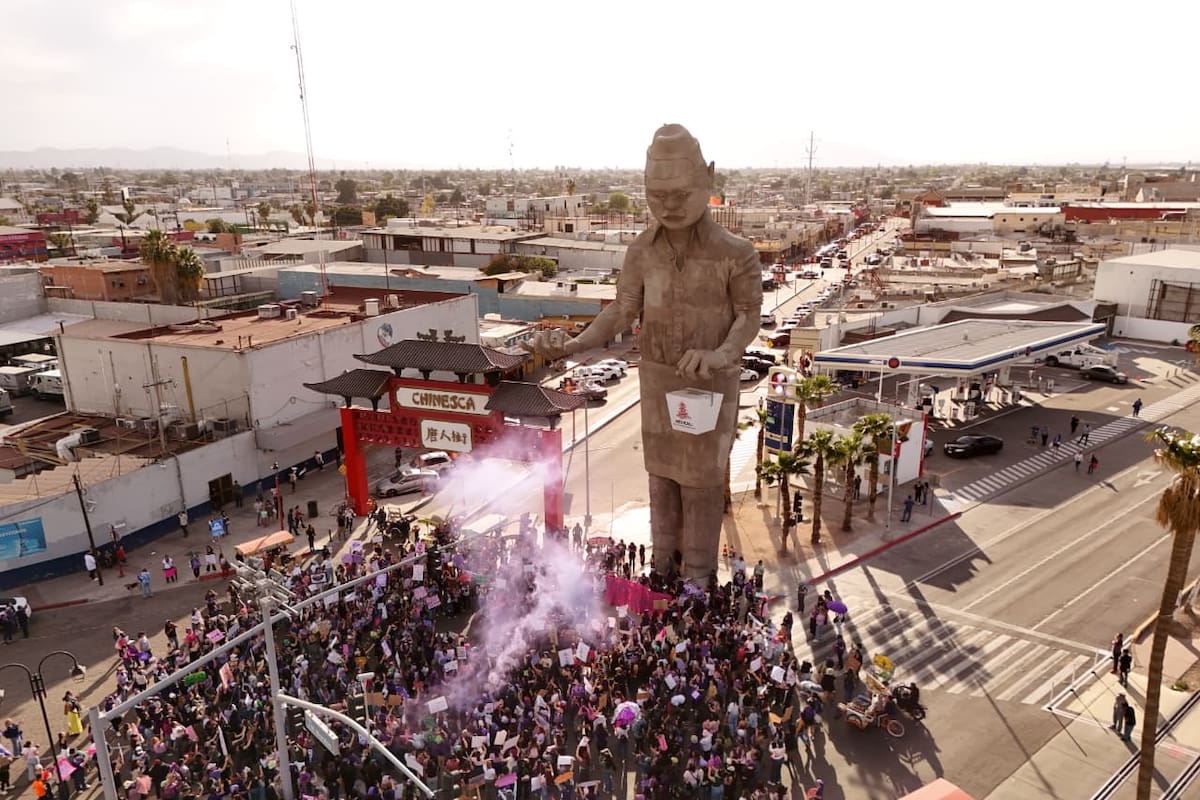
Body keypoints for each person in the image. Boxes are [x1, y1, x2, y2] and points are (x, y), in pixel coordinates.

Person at [523, 124, 762, 579]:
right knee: (661, 477)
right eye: (656, 196)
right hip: (657, 379)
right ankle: (661, 567)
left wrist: (721, 353)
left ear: (708, 179)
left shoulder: (736, 252)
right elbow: (621, 310)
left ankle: (698, 576)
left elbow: (750, 315)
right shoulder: (641, 252)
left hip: (709, 382)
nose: (668, 207)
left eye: (679, 194)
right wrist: (573, 345)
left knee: (701, 483)